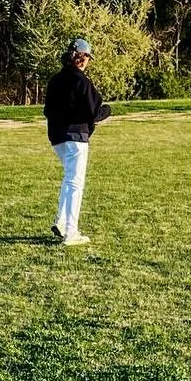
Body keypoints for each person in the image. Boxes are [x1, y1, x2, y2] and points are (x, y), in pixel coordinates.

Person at [43, 37, 109, 245]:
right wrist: (107, 111)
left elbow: (47, 110)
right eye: (87, 57)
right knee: (75, 182)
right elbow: (94, 111)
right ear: (82, 58)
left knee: (69, 179)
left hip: (57, 138)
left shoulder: (54, 80)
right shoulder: (81, 81)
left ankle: (62, 222)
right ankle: (71, 232)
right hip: (76, 137)